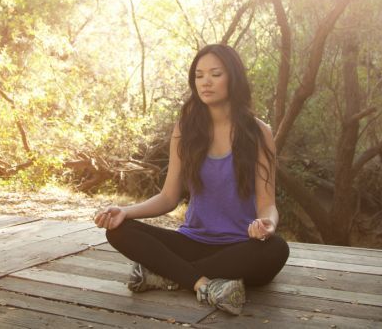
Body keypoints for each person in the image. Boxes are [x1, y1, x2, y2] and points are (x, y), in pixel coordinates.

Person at [93, 44, 289, 315]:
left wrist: (268, 224)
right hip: (192, 244)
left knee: (276, 249)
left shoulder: (258, 132)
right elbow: (168, 198)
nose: (205, 82)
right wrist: (124, 211)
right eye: (199, 75)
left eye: (215, 74)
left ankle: (167, 276)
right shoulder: (185, 129)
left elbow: (267, 202)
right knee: (119, 230)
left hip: (239, 247)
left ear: (233, 77)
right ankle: (203, 284)